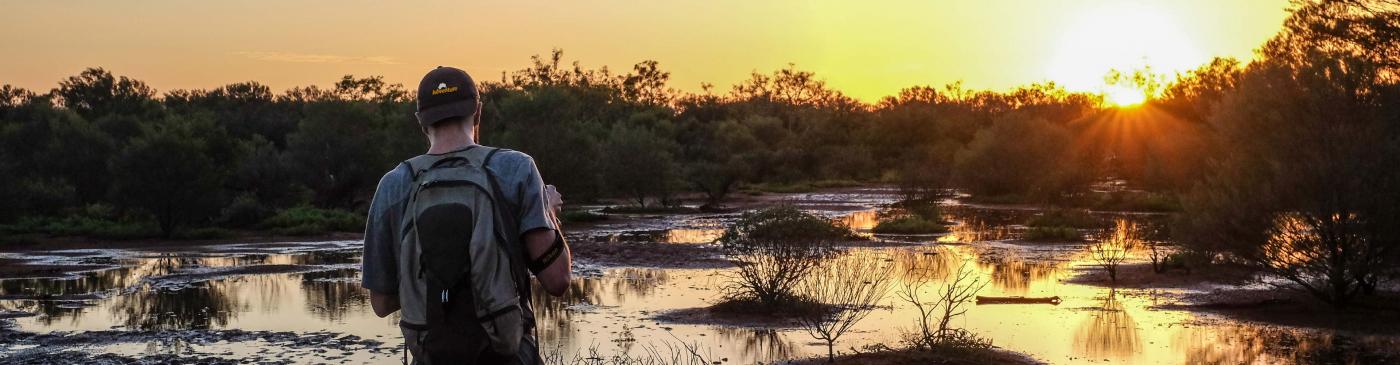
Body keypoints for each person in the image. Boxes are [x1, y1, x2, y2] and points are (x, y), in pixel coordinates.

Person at [361, 66, 571, 364]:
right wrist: (548, 213)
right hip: (505, 354)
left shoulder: (394, 184)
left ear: (421, 121)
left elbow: (381, 303)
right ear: (478, 111)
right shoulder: (515, 169)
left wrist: (436, 283)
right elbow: (557, 280)